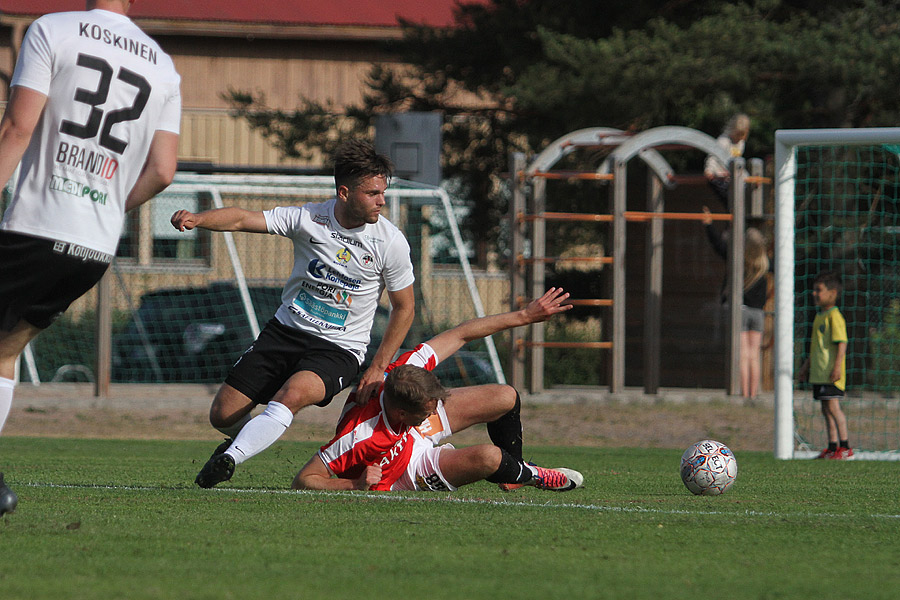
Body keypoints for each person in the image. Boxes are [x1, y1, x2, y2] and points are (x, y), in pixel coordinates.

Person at [0, 0, 182, 516]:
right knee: (4, 351)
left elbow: (17, 128)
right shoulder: (162, 66)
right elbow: (163, 171)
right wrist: (104, 209)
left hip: (34, 227)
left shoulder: (51, 30)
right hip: (94, 245)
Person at [171, 140, 416, 488]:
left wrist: (377, 367)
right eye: (373, 193)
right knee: (222, 414)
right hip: (284, 333)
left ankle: (229, 459)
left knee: (292, 396)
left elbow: (405, 307)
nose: (382, 201)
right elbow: (242, 218)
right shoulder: (309, 218)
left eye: (383, 192)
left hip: (338, 349)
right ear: (344, 193)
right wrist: (198, 219)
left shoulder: (390, 242)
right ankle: (247, 439)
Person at [292, 288, 584, 493]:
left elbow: (461, 333)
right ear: (403, 412)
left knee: (504, 396)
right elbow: (304, 479)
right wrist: (354, 485)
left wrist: (524, 316)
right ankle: (532, 475)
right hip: (406, 469)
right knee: (489, 458)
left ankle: (513, 475)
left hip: (411, 430)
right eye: (428, 409)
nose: (435, 412)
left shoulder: (404, 371)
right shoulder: (362, 435)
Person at [702, 207, 771, 401]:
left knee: (743, 354)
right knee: (754, 354)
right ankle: (753, 393)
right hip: (758, 313)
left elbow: (718, 245)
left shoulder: (737, 259)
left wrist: (708, 224)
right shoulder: (765, 264)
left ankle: (743, 392)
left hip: (740, 310)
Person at [798, 271, 852, 460]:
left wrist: (837, 367)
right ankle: (832, 447)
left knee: (834, 408)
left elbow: (842, 343)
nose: (814, 293)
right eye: (814, 290)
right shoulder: (820, 316)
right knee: (825, 409)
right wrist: (806, 367)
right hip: (819, 374)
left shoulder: (835, 316)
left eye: (818, 290)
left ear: (832, 293)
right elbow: (816, 349)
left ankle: (845, 448)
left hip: (831, 373)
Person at [704, 113, 750, 208]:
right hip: (720, 175)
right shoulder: (723, 141)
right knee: (731, 201)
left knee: (745, 189)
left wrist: (748, 178)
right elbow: (713, 156)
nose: (739, 138)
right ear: (732, 131)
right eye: (737, 135)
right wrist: (709, 170)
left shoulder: (741, 143)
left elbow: (739, 163)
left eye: (742, 135)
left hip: (732, 175)